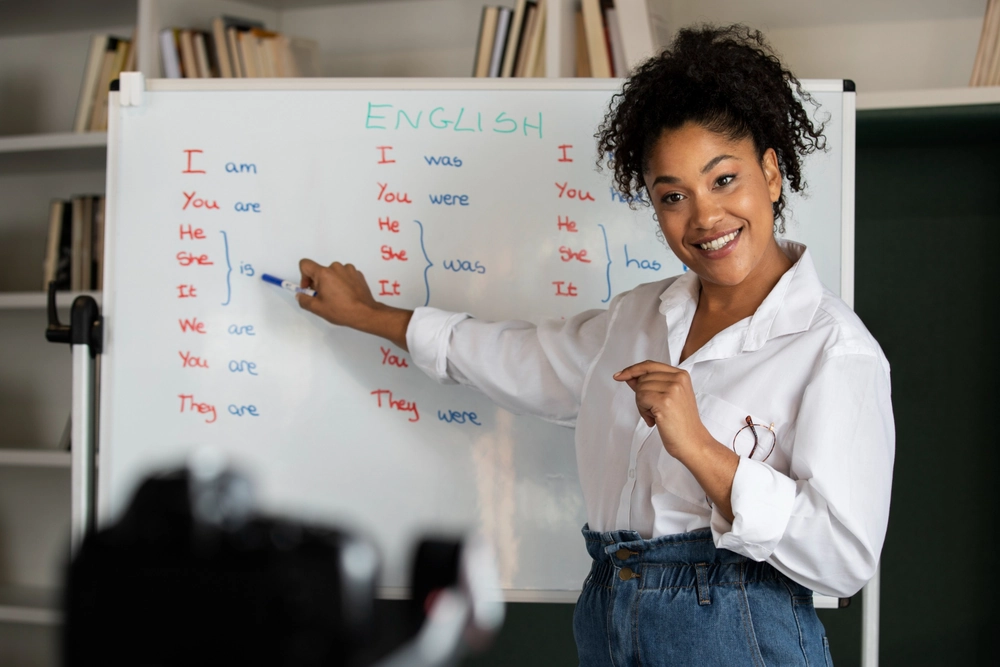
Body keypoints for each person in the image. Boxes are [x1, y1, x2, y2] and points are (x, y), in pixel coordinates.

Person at [295, 25, 894, 667]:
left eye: (724, 180)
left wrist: (700, 448)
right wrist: (369, 315)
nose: (704, 218)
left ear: (772, 173)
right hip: (610, 615)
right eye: (673, 196)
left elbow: (843, 558)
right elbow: (512, 357)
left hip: (740, 633)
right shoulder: (635, 317)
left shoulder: (834, 350)